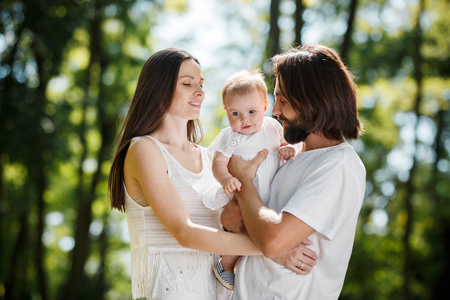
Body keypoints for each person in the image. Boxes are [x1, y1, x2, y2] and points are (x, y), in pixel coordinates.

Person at [108, 48, 316, 300]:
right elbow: (185, 233)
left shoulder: (211, 159)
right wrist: (273, 247)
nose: (200, 92)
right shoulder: (144, 149)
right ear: (158, 89)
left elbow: (227, 234)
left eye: (201, 84)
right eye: (187, 83)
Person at [221, 43, 366, 299]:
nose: (274, 111)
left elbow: (273, 239)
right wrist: (255, 230)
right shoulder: (287, 156)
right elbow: (234, 220)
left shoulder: (338, 164)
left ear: (314, 101)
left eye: (284, 101)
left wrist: (244, 181)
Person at [206, 69, 297, 291]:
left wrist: (289, 149)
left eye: (251, 111)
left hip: (268, 195)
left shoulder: (274, 127)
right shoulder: (231, 137)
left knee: (265, 227)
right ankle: (225, 265)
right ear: (226, 112)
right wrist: (226, 178)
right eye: (235, 114)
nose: (244, 119)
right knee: (241, 228)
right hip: (241, 195)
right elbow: (218, 163)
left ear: (266, 107)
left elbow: (286, 145)